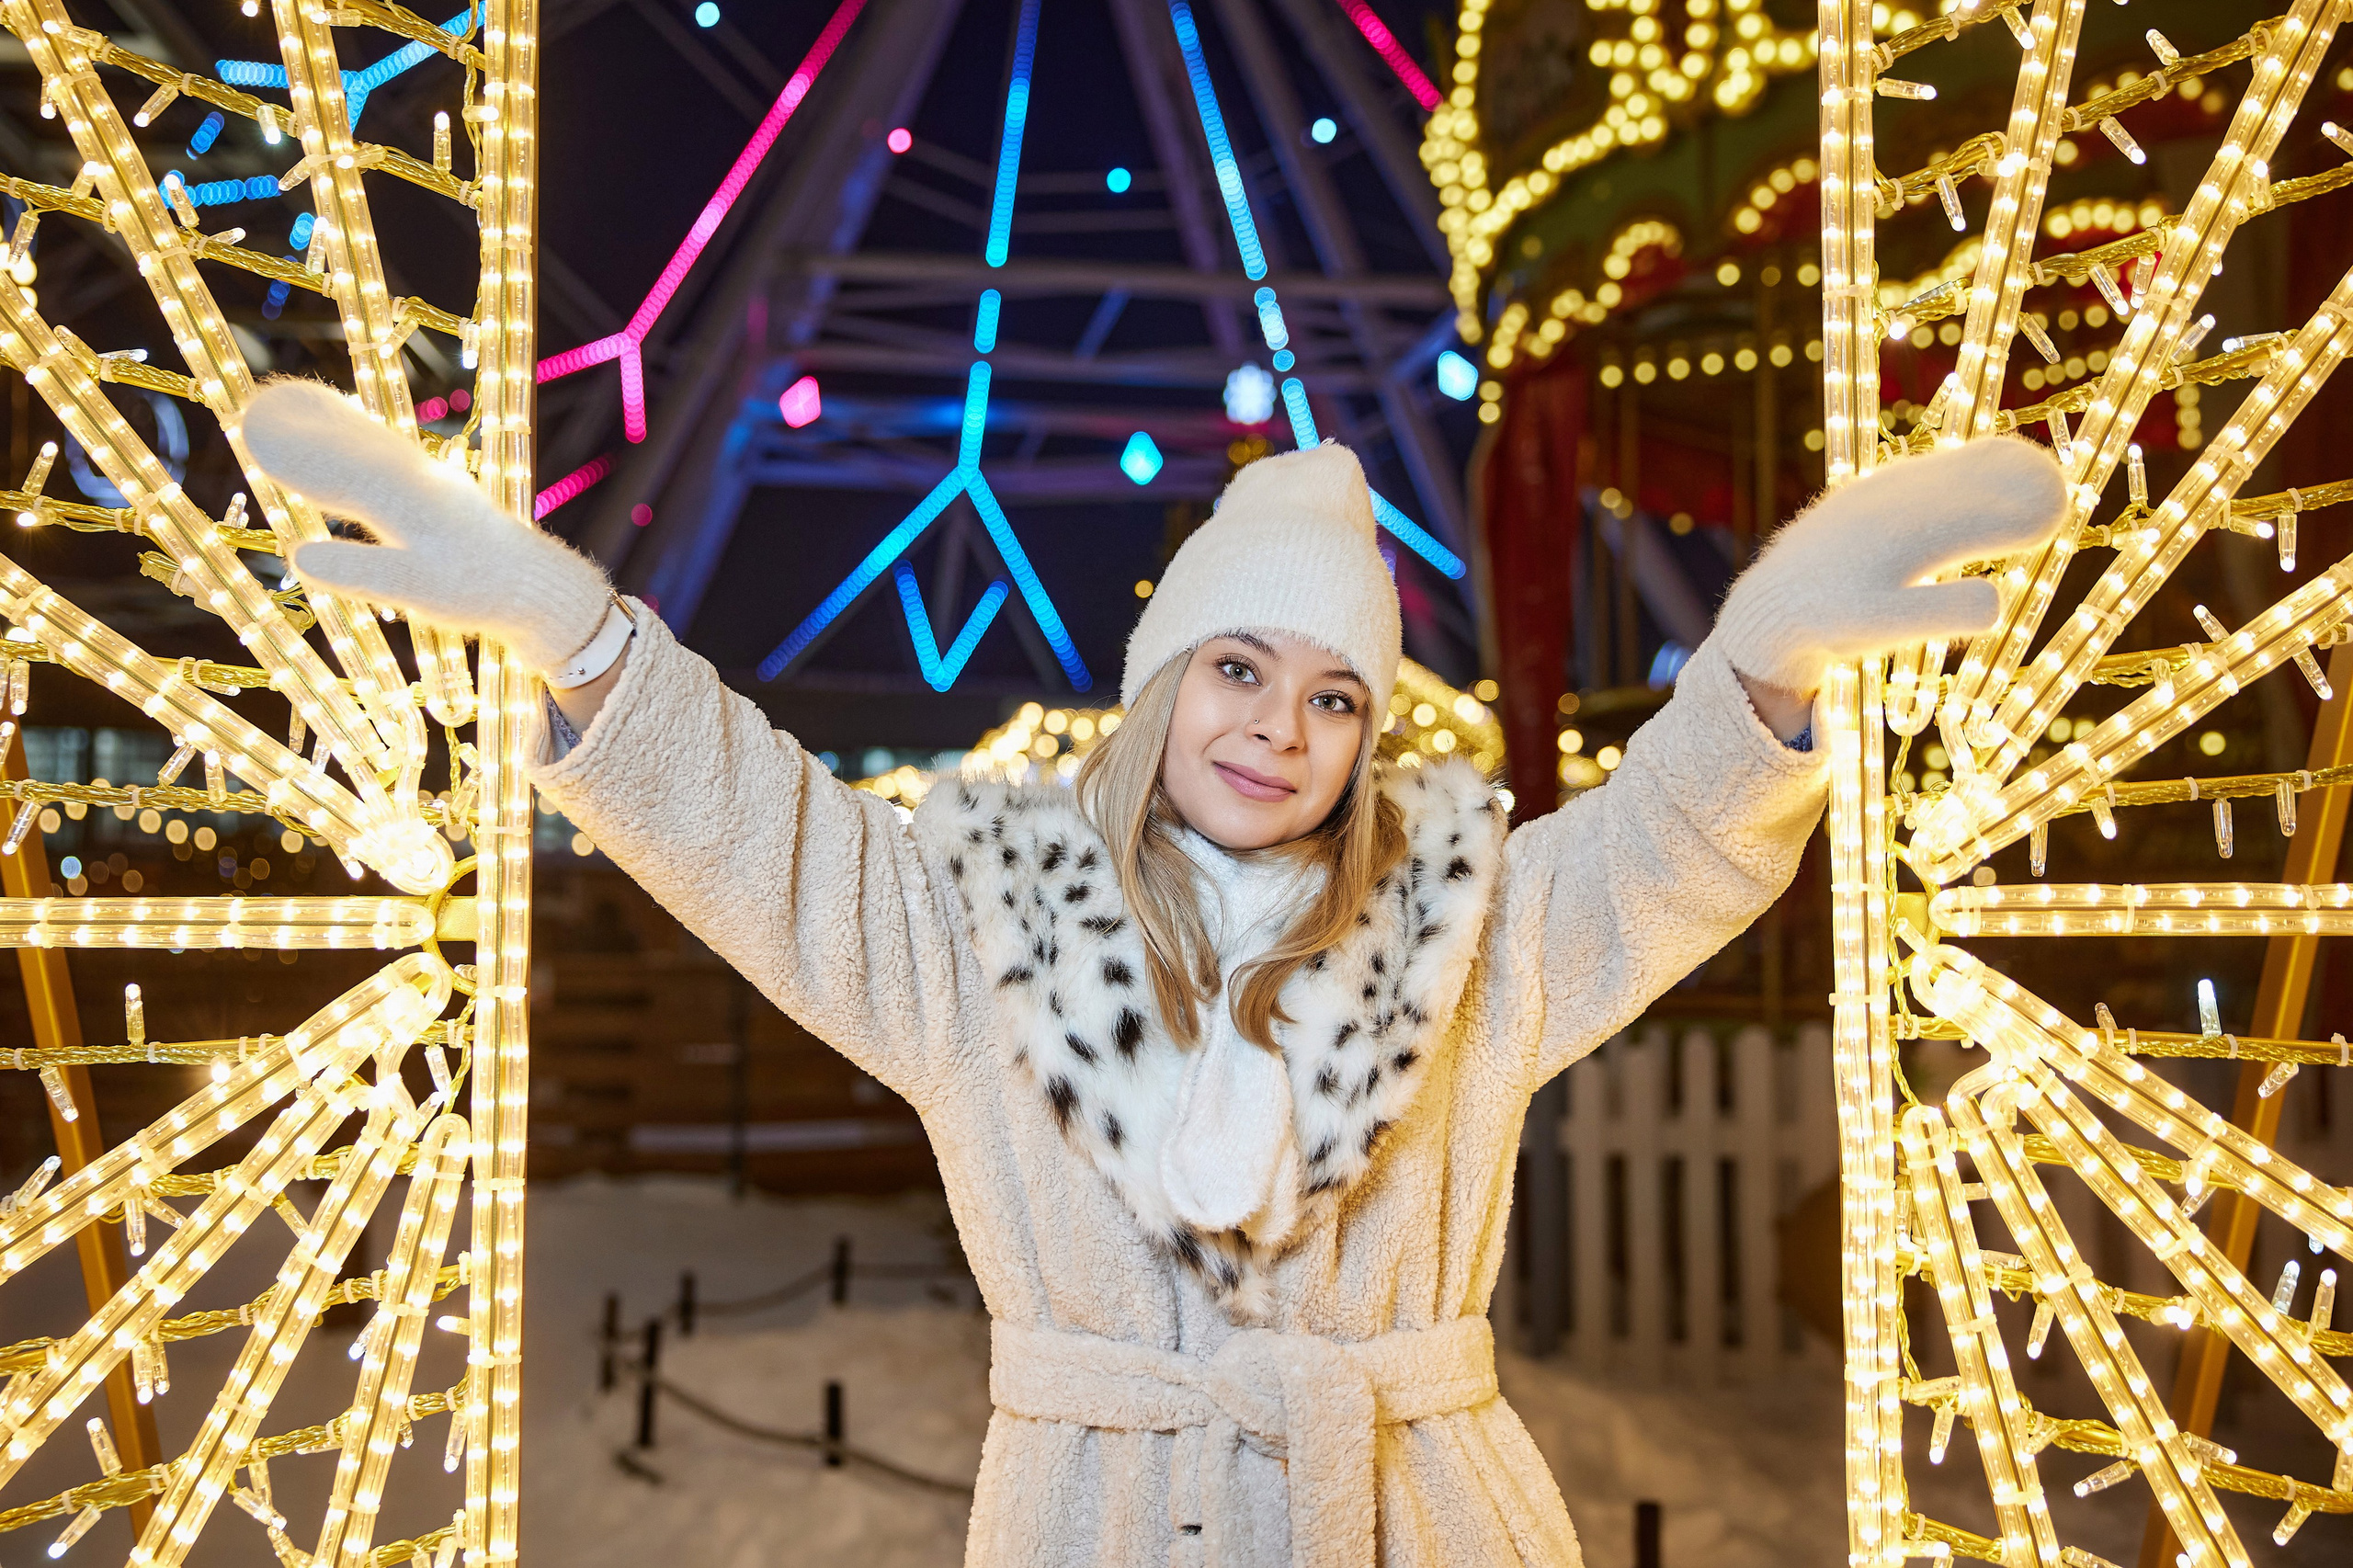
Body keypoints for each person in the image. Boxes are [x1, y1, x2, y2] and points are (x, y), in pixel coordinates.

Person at [244, 381, 2064, 1568]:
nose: (1279, 727)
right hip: (1102, 1520)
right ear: (1165, 681)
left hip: (1422, 1519)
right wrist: (576, 632)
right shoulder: (976, 928)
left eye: (1331, 694)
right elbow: (754, 833)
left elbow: (1663, 849)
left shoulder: (1468, 928)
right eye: (1237, 671)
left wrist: (1761, 660)